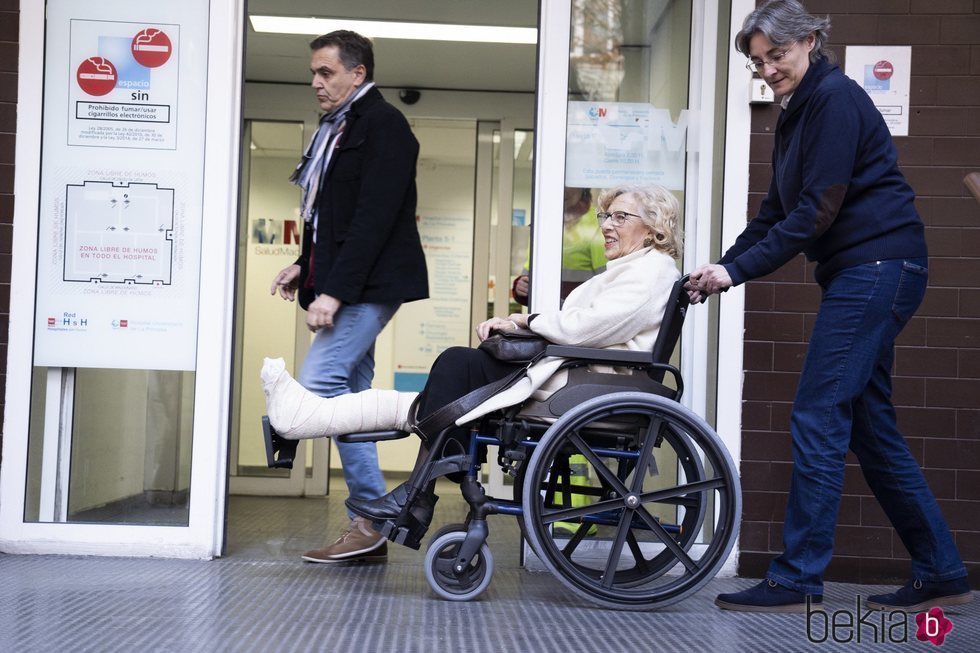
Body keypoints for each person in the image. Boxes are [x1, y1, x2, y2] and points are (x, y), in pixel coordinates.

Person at [687, 0, 972, 613]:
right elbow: (774, 213)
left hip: (878, 268)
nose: (768, 70)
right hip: (867, 272)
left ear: (810, 40)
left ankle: (797, 577)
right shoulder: (798, 111)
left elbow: (816, 212)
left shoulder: (835, 100)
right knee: (870, 429)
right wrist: (720, 267)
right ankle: (942, 566)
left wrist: (736, 273)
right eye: (759, 62)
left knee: (818, 414)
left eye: (778, 55)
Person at [262, 183, 683, 535]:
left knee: (455, 366)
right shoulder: (634, 268)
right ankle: (403, 485)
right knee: (452, 376)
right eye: (605, 217)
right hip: (578, 371)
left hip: (586, 380)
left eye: (620, 217)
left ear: (653, 229)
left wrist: (527, 321)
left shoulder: (652, 271)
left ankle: (407, 490)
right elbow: (586, 325)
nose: (607, 225)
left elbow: (589, 328)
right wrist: (520, 325)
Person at [269, 30, 428, 565]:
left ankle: (372, 515)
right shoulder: (335, 129)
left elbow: (373, 219)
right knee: (350, 398)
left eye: (326, 72)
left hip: (370, 284)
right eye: (313, 73)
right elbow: (327, 215)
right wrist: (302, 265)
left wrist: (334, 291)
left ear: (357, 73)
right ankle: (368, 529)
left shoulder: (385, 126)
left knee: (318, 388)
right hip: (348, 281)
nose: (316, 82)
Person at [512, 187, 606, 305]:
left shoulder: (598, 222)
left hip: (578, 317)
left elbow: (607, 284)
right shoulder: (543, 221)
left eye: (570, 185)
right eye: (561, 185)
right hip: (545, 315)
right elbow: (528, 281)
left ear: (582, 189)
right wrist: (520, 287)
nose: (564, 190)